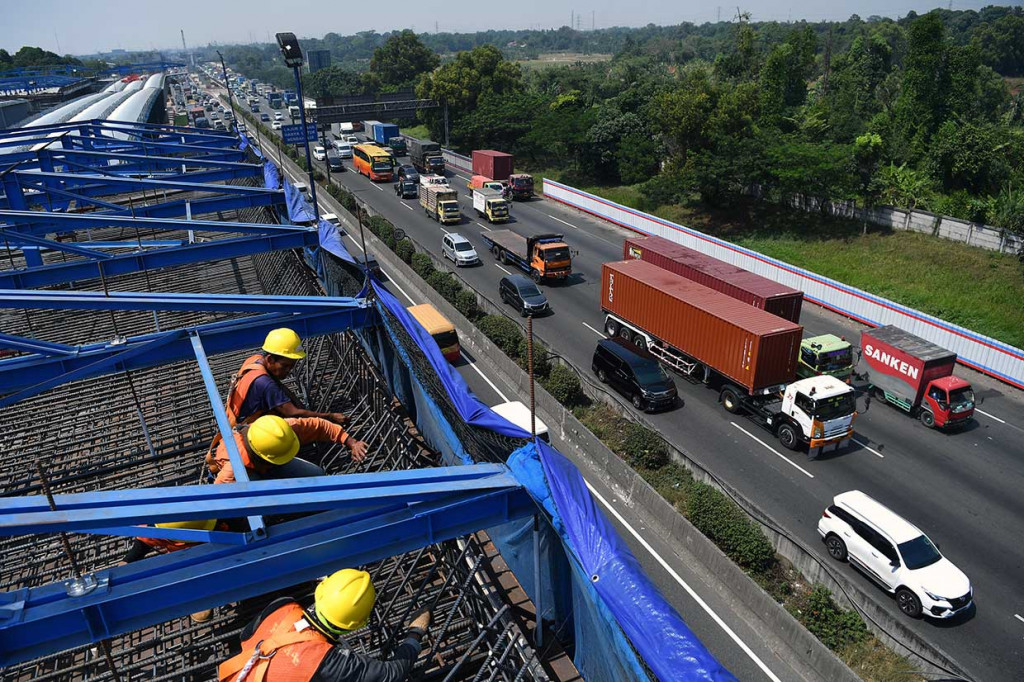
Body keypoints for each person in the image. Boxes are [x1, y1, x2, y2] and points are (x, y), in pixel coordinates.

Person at [219, 569, 431, 682]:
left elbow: (246, 638)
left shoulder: (282, 606)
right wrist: (415, 634)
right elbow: (390, 674)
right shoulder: (329, 662)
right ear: (355, 625)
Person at [230, 328, 349, 425]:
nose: (288, 371)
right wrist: (330, 417)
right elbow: (293, 413)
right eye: (285, 366)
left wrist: (295, 401)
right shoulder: (264, 384)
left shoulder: (256, 360)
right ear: (270, 359)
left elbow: (279, 387)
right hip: (246, 429)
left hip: (236, 416)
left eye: (292, 366)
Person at [210, 414, 368, 485]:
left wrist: (351, 442)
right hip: (247, 475)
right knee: (262, 505)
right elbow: (217, 504)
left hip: (267, 464)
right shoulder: (232, 472)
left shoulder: (281, 429)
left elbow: (319, 426)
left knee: (316, 476)